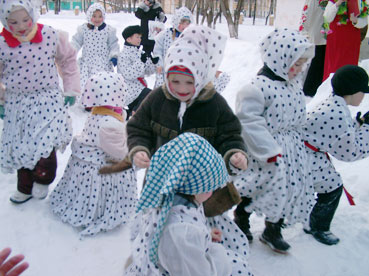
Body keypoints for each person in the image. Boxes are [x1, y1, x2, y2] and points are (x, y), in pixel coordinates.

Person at [126, 25, 247, 177]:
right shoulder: (158, 98)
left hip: (202, 186)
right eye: (175, 81)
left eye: (189, 82)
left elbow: (230, 134)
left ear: (200, 77)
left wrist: (234, 153)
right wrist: (139, 149)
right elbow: (138, 127)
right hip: (161, 181)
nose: (182, 89)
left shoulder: (213, 102)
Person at [124, 133, 253, 276]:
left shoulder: (171, 199)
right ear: (194, 188)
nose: (214, 190)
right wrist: (215, 250)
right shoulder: (181, 233)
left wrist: (203, 236)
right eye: (210, 186)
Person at [234, 28, 316, 253]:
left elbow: (298, 116)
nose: (299, 70)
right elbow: (248, 120)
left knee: (286, 189)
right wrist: (268, 149)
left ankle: (273, 229)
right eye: (295, 64)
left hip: (291, 151)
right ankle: (241, 220)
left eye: (301, 65)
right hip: (264, 151)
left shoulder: (293, 84)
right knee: (254, 187)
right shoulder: (257, 87)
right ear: (279, 58)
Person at [0, 0, 80, 204]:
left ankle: (43, 178)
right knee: (21, 145)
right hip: (17, 104)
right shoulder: (2, 44)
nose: (21, 26)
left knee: (46, 141)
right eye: (13, 22)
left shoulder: (50, 35)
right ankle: (24, 186)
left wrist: (70, 87)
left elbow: (68, 59)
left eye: (25, 19)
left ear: (32, 15)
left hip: (47, 99)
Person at [50, 72, 137, 237]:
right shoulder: (108, 124)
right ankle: (99, 210)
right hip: (98, 167)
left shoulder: (100, 113)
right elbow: (119, 152)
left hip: (87, 160)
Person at [303, 64, 369, 245]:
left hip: (306, 152)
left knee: (326, 183)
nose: (364, 97)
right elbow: (351, 152)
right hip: (304, 157)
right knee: (332, 186)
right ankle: (317, 226)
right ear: (353, 91)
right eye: (363, 92)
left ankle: (307, 219)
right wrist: (367, 129)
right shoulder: (337, 113)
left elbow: (340, 137)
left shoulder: (334, 104)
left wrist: (360, 123)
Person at [71, 3, 119, 93]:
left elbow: (113, 44)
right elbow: (76, 42)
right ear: (89, 16)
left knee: (103, 83)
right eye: (94, 16)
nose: (97, 19)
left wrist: (114, 55)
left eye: (100, 16)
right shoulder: (84, 29)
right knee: (87, 83)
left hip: (103, 63)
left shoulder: (108, 30)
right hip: (87, 63)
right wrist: (70, 53)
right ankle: (87, 102)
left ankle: (103, 102)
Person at [322, 0, 369, 80]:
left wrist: (356, 20)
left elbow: (364, 22)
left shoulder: (360, 1)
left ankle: (348, 86)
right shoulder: (334, 1)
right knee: (334, 63)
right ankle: (332, 87)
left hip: (352, 37)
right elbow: (327, 17)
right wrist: (338, 3)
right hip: (336, 37)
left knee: (350, 63)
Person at [117, 25, 157, 118]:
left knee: (150, 99)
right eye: (137, 37)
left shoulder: (140, 53)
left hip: (140, 88)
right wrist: (141, 62)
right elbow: (129, 74)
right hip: (129, 89)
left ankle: (130, 113)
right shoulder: (123, 55)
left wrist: (153, 63)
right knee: (151, 95)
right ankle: (133, 114)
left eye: (140, 37)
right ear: (129, 39)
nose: (139, 39)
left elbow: (148, 72)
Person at [152, 6, 193, 88]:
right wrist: (159, 63)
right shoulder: (166, 34)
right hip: (165, 70)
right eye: (182, 23)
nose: (185, 26)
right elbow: (157, 50)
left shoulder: (191, 37)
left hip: (182, 72)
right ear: (176, 22)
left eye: (187, 24)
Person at [299, 0, 327, 97]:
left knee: (321, 65)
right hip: (317, 35)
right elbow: (306, 15)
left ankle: (316, 90)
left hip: (328, 36)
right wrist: (304, 32)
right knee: (316, 64)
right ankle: (309, 91)